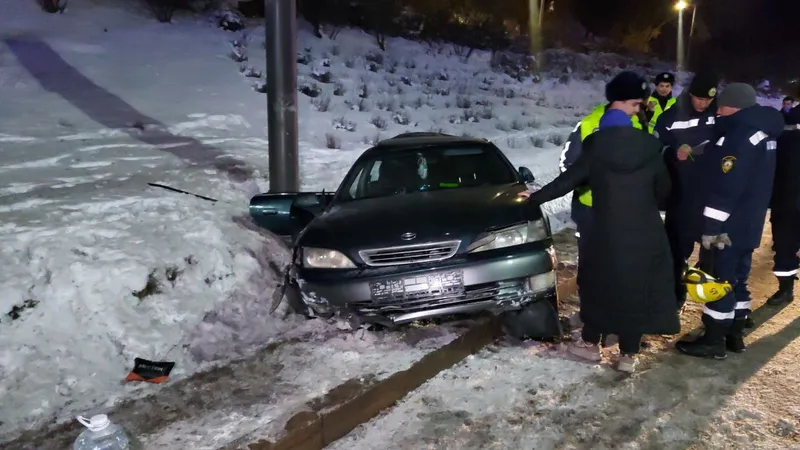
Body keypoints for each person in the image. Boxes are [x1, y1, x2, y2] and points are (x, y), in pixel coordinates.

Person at [524, 97, 680, 373]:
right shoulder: (651, 151)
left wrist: (534, 198)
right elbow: (665, 194)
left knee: (599, 286)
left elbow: (566, 182)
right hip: (645, 233)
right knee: (636, 289)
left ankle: (589, 346)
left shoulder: (597, 150)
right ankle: (628, 355)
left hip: (606, 232)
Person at [675, 83, 784, 359]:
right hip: (749, 223)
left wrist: (712, 228)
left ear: (732, 106)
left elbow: (727, 187)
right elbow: (717, 150)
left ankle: (713, 340)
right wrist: (696, 151)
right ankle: (734, 333)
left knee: (719, 281)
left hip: (728, 227)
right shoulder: (760, 131)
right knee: (737, 279)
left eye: (721, 105)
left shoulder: (739, 136)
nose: (718, 110)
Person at [558, 72, 649, 271]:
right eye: (634, 104)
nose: (637, 109)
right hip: (591, 210)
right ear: (619, 100)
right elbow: (566, 165)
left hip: (625, 211)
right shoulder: (589, 124)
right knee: (592, 266)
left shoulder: (637, 126)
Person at [653, 71, 719, 312]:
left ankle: (715, 303)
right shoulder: (670, 117)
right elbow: (656, 149)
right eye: (699, 99)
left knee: (713, 249)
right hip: (681, 194)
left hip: (711, 194)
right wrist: (673, 152)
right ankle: (674, 295)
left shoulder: (718, 114)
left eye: (708, 100)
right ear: (690, 95)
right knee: (676, 248)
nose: (704, 104)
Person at [766, 96, 800, 305]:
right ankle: (785, 288)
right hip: (786, 198)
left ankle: (785, 287)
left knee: (785, 244)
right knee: (785, 246)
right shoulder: (786, 123)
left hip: (785, 198)